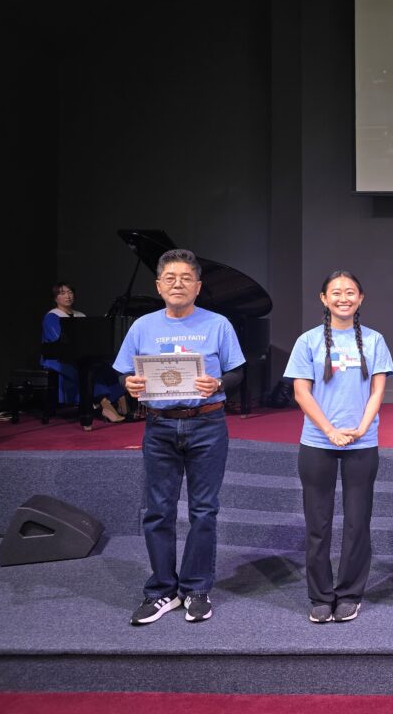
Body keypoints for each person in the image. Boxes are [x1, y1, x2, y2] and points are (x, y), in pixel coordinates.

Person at [114, 249, 245, 625]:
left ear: (198, 286)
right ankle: (162, 591)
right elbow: (122, 373)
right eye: (170, 278)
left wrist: (218, 383)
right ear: (158, 286)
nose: (178, 284)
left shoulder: (218, 324)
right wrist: (128, 383)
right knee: (158, 511)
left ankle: (197, 588)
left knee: (204, 511)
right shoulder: (142, 327)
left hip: (207, 424)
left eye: (186, 278)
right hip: (159, 426)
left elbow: (237, 373)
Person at [284, 271, 393, 623]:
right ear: (323, 298)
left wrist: (362, 428)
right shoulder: (308, 341)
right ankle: (320, 595)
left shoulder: (375, 340)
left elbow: (378, 390)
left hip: (362, 443)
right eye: (336, 292)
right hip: (318, 442)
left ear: (361, 298)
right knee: (317, 524)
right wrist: (329, 430)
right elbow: (301, 392)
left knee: (357, 522)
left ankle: (349, 593)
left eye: (350, 292)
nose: (343, 298)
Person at [41, 282, 127, 423]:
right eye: (62, 293)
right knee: (86, 373)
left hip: (81, 356)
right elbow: (58, 342)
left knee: (106, 368)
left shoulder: (80, 315)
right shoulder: (52, 317)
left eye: (70, 292)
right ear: (55, 298)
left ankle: (121, 401)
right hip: (58, 359)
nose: (68, 296)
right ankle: (105, 404)